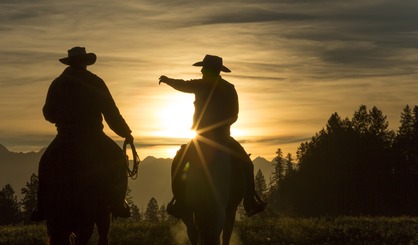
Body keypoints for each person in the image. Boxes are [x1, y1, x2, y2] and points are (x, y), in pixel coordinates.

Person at [31, 47, 133, 221]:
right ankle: (118, 204)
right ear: (85, 63)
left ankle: (41, 207)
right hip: (93, 136)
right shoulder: (95, 82)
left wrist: (61, 118)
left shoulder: (57, 83)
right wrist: (126, 133)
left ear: (70, 63)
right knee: (118, 159)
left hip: (65, 136)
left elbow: (48, 113)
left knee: (46, 163)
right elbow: (111, 113)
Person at [159, 54, 266, 217]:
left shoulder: (201, 85)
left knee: (179, 163)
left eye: (203, 68)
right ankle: (249, 203)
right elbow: (234, 115)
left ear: (208, 70)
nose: (201, 70)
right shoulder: (229, 88)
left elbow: (183, 85)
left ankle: (180, 201)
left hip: (201, 138)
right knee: (246, 164)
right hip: (223, 138)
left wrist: (168, 80)